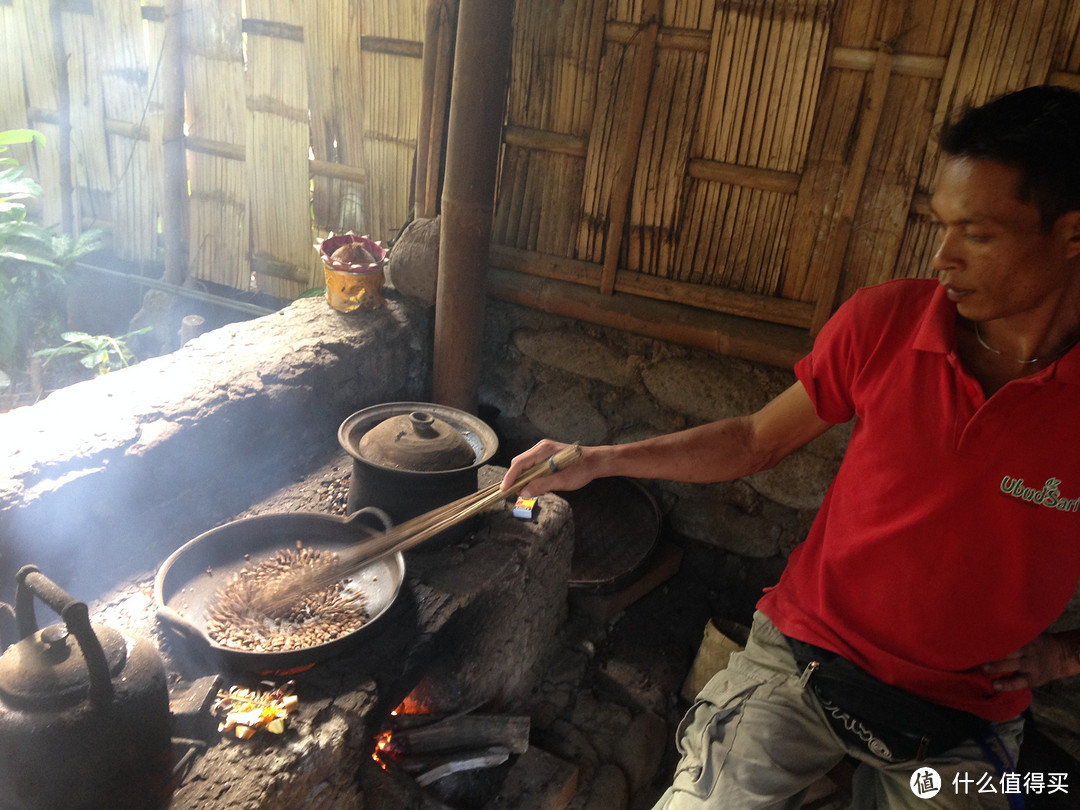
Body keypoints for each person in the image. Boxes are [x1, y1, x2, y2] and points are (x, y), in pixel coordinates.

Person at [500, 84, 1080, 809]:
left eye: (980, 234)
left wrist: (1063, 653)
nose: (943, 257)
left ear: (1071, 234)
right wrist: (601, 460)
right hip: (804, 664)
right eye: (942, 225)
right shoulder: (888, 323)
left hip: (959, 723)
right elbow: (752, 439)